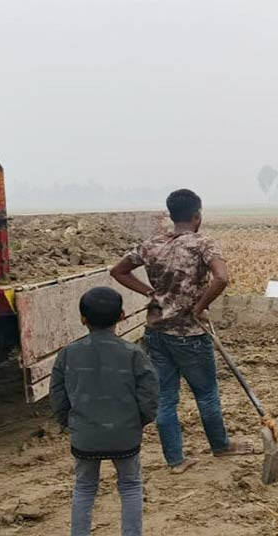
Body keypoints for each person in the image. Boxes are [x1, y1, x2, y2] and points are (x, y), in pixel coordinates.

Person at [110, 188, 254, 474]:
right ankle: (220, 445)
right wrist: (200, 306)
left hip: (156, 333)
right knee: (207, 393)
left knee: (166, 397)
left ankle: (175, 460)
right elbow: (222, 277)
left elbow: (118, 271)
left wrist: (149, 292)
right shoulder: (203, 244)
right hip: (191, 334)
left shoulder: (151, 245)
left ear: (170, 215)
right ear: (197, 216)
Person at [49, 287, 161, 536]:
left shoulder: (68, 354)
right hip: (125, 435)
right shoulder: (134, 353)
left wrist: (71, 424)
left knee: (85, 487)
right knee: (131, 485)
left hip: (85, 436)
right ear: (122, 317)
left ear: (83, 319)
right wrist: (137, 423)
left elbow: (58, 397)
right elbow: (149, 395)